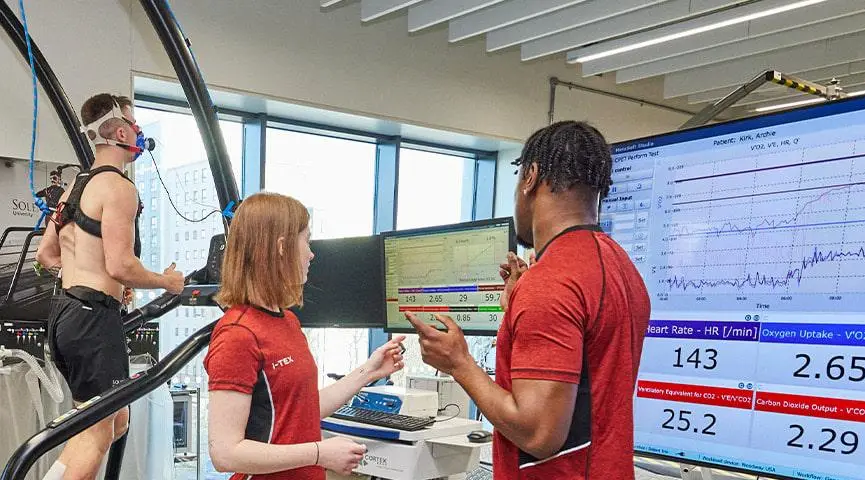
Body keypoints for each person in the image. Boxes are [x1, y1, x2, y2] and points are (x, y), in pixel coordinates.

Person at [406, 121, 650, 479]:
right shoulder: (620, 266)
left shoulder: (551, 282)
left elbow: (538, 433)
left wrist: (458, 363)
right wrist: (518, 308)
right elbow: (588, 382)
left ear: (530, 177)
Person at [34, 93, 186, 480]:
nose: (138, 131)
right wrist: (166, 282)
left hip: (67, 315)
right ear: (121, 131)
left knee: (115, 419)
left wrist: (90, 281)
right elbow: (121, 265)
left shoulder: (74, 188)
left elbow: (46, 255)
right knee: (97, 429)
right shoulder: (119, 188)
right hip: (92, 323)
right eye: (134, 125)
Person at [203, 192, 407, 479]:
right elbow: (225, 453)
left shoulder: (287, 321)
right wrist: (320, 452)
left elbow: (302, 410)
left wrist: (367, 372)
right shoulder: (237, 334)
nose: (311, 254)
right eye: (306, 240)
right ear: (282, 247)